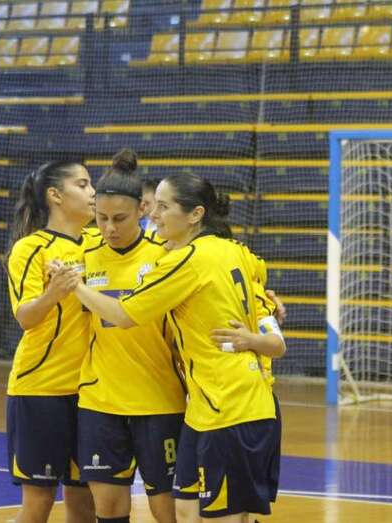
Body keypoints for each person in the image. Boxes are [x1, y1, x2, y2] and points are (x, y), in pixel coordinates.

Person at [67, 173, 286, 522]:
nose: (154, 215)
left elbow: (123, 314)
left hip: (230, 403)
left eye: (164, 207)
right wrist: (268, 319)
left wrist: (76, 286)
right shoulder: (237, 251)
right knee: (185, 510)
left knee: (222, 515)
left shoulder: (187, 260)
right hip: (205, 408)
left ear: (195, 214)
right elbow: (266, 307)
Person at [74, 150, 185, 523]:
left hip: (159, 401)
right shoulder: (83, 253)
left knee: (165, 510)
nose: (109, 228)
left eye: (119, 218)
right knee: (108, 508)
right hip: (100, 400)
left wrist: (264, 298)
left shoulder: (166, 256)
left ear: (143, 209)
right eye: (101, 218)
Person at [5, 160, 97, 523]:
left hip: (92, 393)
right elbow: (25, 316)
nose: (92, 192)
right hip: (41, 390)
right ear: (55, 195)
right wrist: (53, 294)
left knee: (83, 504)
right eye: (83, 184)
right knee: (38, 507)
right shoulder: (31, 248)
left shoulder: (99, 242)